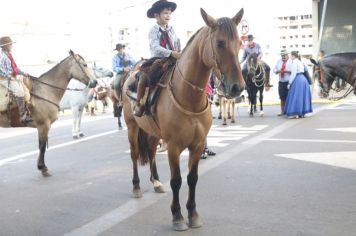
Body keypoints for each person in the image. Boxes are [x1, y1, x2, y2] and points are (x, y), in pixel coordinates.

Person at [133, 0, 181, 117]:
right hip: (157, 59)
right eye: (165, 13)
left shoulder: (172, 30)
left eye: (169, 13)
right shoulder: (153, 30)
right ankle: (139, 103)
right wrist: (171, 53)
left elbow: (177, 43)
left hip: (174, 58)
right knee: (145, 76)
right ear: (156, 15)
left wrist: (179, 52)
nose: (168, 15)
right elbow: (155, 47)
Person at [0, 36, 32, 124]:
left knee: (26, 86)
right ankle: (22, 115)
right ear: (5, 46)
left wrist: (24, 73)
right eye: (10, 44)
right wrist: (9, 76)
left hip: (11, 76)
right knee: (19, 91)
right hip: (4, 78)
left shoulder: (8, 54)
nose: (11, 46)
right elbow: (1, 69)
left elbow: (15, 68)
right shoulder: (2, 56)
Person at [284, 51, 313, 118]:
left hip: (298, 79)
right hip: (304, 79)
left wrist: (289, 82)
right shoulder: (301, 62)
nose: (290, 57)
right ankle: (302, 113)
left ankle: (295, 113)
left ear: (293, 56)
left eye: (291, 55)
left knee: (295, 96)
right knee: (302, 96)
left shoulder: (294, 62)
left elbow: (293, 73)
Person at [112, 43, 136, 121]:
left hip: (130, 71)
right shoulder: (115, 57)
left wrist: (130, 66)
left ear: (123, 48)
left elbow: (134, 63)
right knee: (116, 84)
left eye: (121, 48)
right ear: (117, 50)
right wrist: (123, 69)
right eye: (118, 49)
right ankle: (120, 100)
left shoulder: (128, 55)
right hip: (121, 73)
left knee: (138, 79)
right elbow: (114, 68)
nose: (120, 50)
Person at [201, 74, 216, 159]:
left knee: (206, 125)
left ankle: (205, 148)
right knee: (202, 124)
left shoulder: (210, 71)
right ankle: (202, 149)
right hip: (202, 94)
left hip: (208, 92)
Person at [273, 49, 292, 116]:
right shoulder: (279, 61)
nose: (283, 57)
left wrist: (286, 71)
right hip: (281, 82)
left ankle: (289, 110)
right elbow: (274, 69)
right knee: (282, 97)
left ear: (287, 55)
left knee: (289, 96)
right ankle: (282, 110)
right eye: (282, 56)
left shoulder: (291, 61)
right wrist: (277, 71)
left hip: (289, 82)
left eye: (284, 55)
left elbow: (293, 71)